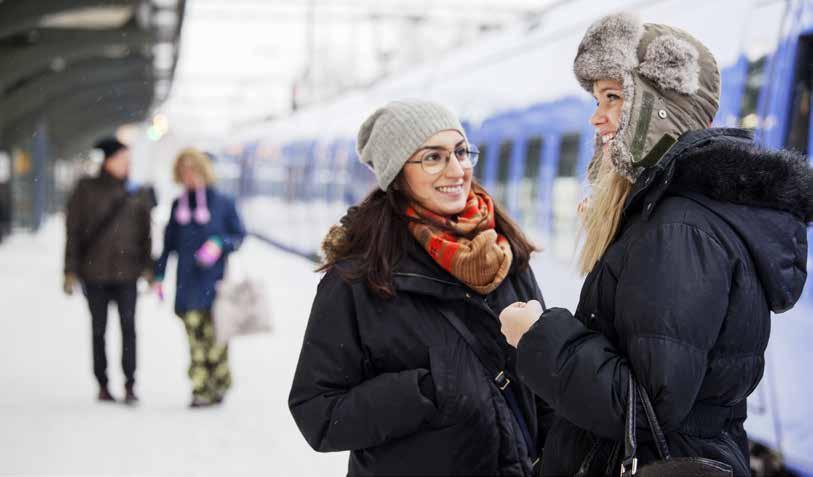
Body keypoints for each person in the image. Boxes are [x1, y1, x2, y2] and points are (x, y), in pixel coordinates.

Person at [498, 13, 813, 476]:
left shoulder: (679, 229)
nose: (596, 116)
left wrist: (539, 335)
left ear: (659, 108)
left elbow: (645, 405)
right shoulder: (677, 217)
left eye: (614, 97)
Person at [289, 100, 551, 476]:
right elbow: (318, 411)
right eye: (433, 157)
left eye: (461, 152)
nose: (457, 169)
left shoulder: (505, 254)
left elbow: (543, 388)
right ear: (398, 174)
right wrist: (427, 391)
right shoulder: (360, 278)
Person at [64, 137, 154, 404]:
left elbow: (146, 234)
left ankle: (130, 383)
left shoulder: (137, 192)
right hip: (95, 274)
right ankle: (102, 383)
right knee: (98, 330)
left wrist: (148, 268)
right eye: (123, 159)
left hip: (128, 274)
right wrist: (69, 270)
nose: (127, 165)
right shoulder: (86, 189)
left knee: (129, 329)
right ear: (109, 161)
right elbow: (73, 233)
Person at [153, 148, 246, 408]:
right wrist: (158, 276)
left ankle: (219, 382)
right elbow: (168, 245)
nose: (189, 176)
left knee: (217, 341)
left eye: (193, 169)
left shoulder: (224, 203)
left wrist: (220, 243)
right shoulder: (177, 206)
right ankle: (200, 388)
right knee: (196, 342)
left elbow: (239, 236)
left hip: (217, 286)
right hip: (187, 285)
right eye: (184, 171)